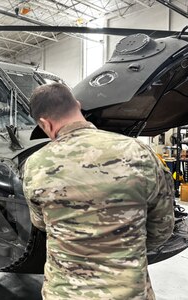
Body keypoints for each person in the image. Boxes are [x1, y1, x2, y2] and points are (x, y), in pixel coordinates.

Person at [22, 83, 175, 300]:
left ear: (44, 123)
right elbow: (162, 228)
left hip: (65, 293)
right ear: (78, 105)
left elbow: (41, 223)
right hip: (130, 292)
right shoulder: (138, 152)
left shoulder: (35, 165)